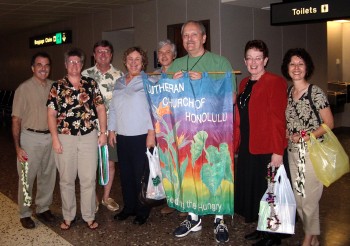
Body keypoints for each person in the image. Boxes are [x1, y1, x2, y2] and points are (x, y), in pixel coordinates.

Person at [166, 20, 235, 243]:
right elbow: (165, 101)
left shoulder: (219, 62)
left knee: (215, 169)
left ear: (204, 38)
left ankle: (219, 218)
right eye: (185, 35)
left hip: (214, 130)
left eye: (194, 35)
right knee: (190, 171)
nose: (189, 39)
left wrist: (206, 82)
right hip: (186, 131)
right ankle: (193, 217)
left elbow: (230, 99)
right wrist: (170, 83)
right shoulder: (176, 66)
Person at [234, 40, 288, 246]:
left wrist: (278, 151)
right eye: (250, 58)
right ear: (245, 60)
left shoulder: (275, 82)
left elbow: (278, 120)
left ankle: (272, 236)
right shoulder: (244, 83)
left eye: (258, 58)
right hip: (249, 146)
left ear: (265, 60)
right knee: (257, 190)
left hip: (267, 147)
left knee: (270, 192)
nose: (253, 62)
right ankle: (261, 228)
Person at [47, 48, 107, 230]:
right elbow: (51, 115)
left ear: (82, 64)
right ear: (66, 65)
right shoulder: (57, 86)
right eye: (71, 62)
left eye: (78, 62)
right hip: (65, 138)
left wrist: (103, 132)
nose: (75, 65)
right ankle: (68, 216)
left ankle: (89, 216)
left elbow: (101, 109)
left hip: (88, 137)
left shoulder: (90, 84)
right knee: (66, 179)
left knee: (88, 179)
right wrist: (55, 139)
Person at [282, 48, 334, 246]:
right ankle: (314, 237)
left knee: (309, 199)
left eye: (300, 64)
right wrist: (287, 132)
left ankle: (307, 239)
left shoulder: (315, 92)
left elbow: (329, 124)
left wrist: (304, 136)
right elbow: (290, 121)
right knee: (299, 198)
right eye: (292, 64)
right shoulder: (288, 92)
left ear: (307, 68)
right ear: (287, 68)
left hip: (311, 152)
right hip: (293, 154)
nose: (296, 68)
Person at [108, 46, 156, 226]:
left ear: (143, 62)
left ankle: (142, 210)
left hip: (141, 136)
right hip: (122, 136)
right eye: (130, 59)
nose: (134, 63)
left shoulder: (149, 81)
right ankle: (129, 208)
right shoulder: (119, 82)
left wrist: (151, 133)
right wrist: (112, 129)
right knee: (126, 175)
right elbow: (113, 108)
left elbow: (155, 110)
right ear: (125, 62)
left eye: (137, 59)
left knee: (140, 176)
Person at [12, 52, 56, 229]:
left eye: (46, 65)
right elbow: (16, 120)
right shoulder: (23, 89)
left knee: (48, 176)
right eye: (39, 65)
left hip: (51, 137)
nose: (43, 68)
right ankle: (24, 212)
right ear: (32, 68)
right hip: (30, 138)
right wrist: (17, 147)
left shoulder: (55, 86)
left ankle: (43, 208)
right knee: (26, 178)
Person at [82, 40, 123, 213]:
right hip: (89, 129)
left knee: (109, 163)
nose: (103, 54)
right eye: (99, 51)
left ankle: (106, 197)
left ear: (111, 55)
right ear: (94, 54)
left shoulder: (120, 75)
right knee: (89, 165)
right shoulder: (85, 74)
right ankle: (94, 199)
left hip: (112, 129)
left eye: (106, 51)